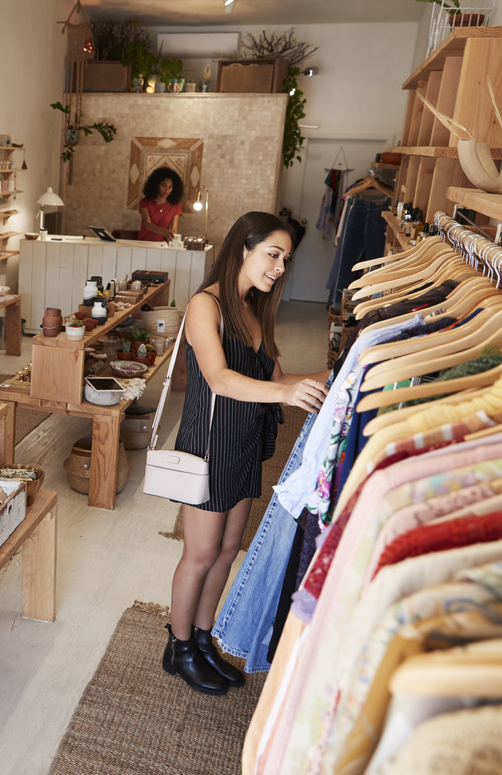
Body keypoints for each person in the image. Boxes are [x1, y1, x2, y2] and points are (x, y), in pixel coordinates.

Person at [163, 211, 329, 694]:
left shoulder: (254, 310)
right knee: (200, 553)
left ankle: (202, 636)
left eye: (285, 260)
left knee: (228, 551)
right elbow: (218, 378)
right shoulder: (205, 306)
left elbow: (276, 381)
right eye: (272, 255)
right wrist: (281, 396)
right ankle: (178, 649)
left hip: (245, 445)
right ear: (243, 250)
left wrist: (341, 374)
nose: (279, 267)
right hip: (210, 446)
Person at [138, 166, 184, 242]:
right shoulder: (145, 202)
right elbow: (147, 224)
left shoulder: (176, 205)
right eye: (164, 186)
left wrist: (170, 244)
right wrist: (164, 232)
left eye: (170, 187)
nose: (167, 190)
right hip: (143, 243)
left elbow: (174, 230)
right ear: (156, 185)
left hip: (162, 245)